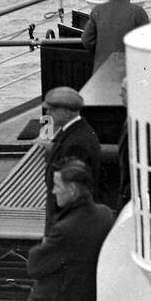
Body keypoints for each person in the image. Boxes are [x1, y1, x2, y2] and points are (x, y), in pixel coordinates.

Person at [0, 160, 115, 301]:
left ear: (72, 189)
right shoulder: (105, 214)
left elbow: (34, 266)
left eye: (57, 186)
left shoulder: (65, 229)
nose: (53, 191)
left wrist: (43, 246)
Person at [38, 86, 100, 230]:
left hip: (67, 220)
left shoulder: (76, 143)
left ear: (65, 111)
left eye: (51, 110)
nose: (47, 113)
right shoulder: (75, 132)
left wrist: (59, 227)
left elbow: (72, 191)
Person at [80, 0, 149, 77]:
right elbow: (146, 44)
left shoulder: (98, 10)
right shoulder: (138, 12)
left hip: (101, 73)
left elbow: (86, 40)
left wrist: (103, 51)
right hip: (128, 75)